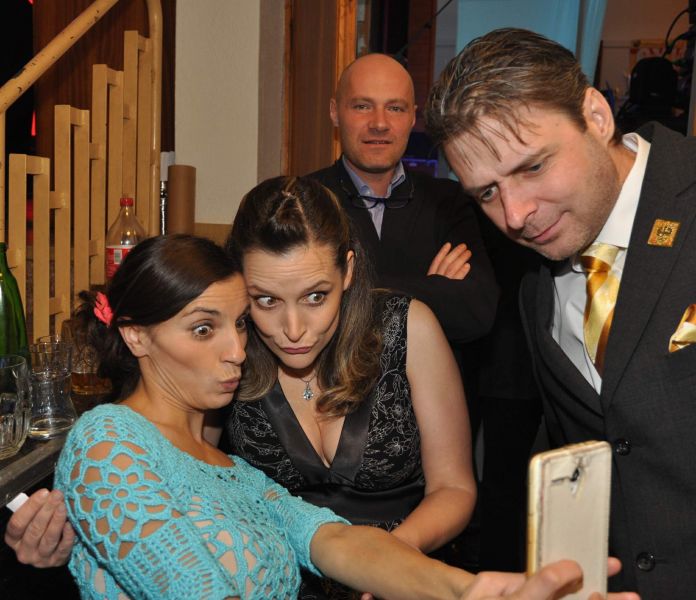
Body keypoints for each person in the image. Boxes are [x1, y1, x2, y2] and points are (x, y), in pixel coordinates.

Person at [7, 233, 637, 600]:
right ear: (137, 336)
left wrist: (468, 590)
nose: (236, 351)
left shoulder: (230, 469)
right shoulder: (109, 439)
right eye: (203, 329)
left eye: (238, 325)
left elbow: (338, 540)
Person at [425, 26, 696, 600]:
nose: (515, 215)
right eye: (487, 193)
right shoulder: (536, 288)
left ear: (596, 116)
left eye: (532, 168)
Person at [221, 175, 476, 597]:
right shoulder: (230, 349)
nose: (293, 329)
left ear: (348, 271)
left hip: (402, 578)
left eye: (315, 297)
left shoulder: (407, 328)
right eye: (266, 300)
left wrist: (385, 559)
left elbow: (454, 488)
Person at [309, 54, 499, 441]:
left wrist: (350, 289)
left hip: (430, 428)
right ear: (334, 112)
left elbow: (478, 311)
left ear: (413, 117)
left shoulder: (449, 200)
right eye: (362, 106)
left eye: (394, 108)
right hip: (328, 421)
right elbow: (298, 312)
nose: (379, 123)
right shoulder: (305, 200)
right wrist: (430, 289)